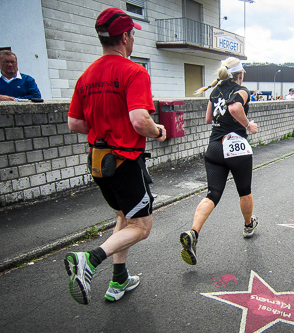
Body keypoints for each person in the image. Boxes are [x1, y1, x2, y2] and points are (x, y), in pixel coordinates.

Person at [64, 7, 167, 305]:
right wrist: (158, 130)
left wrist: (105, 123)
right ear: (124, 37)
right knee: (142, 227)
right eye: (133, 34)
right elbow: (139, 121)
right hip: (124, 161)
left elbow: (75, 124)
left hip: (98, 162)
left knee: (124, 216)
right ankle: (90, 260)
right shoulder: (133, 71)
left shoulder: (87, 76)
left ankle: (118, 279)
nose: (133, 39)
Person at [180, 57, 259, 266]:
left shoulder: (214, 92)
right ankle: (248, 225)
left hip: (214, 147)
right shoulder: (241, 90)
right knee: (244, 190)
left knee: (212, 194)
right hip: (236, 147)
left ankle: (193, 232)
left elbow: (208, 119)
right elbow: (234, 108)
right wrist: (248, 124)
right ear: (240, 74)